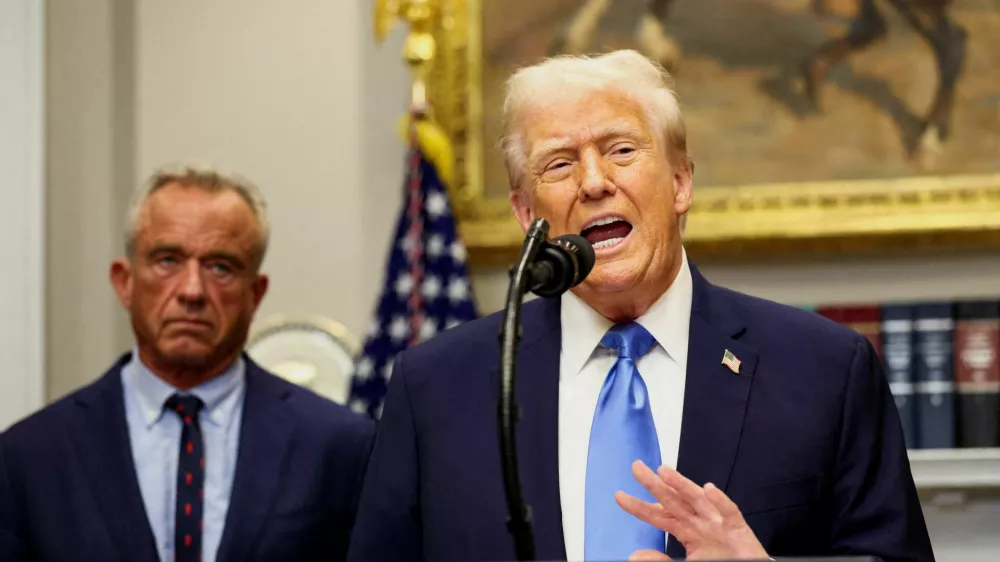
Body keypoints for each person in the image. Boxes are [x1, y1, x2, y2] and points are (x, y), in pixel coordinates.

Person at [346, 50, 934, 561]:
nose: (594, 181)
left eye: (622, 149)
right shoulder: (437, 389)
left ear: (680, 182)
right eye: (559, 163)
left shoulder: (824, 371)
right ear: (527, 214)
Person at [0, 165, 375, 562]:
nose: (192, 291)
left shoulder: (338, 447)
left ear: (256, 294)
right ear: (124, 281)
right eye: (167, 261)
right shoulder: (31, 456)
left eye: (221, 267)